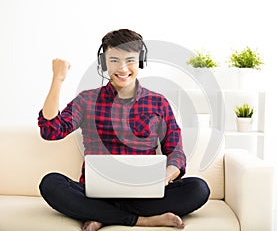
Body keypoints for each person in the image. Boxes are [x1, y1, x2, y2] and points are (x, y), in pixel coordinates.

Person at [38, 29, 210, 231]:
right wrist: (57, 79)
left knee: (198, 189)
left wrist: (165, 176)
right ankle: (141, 220)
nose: (122, 68)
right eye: (114, 60)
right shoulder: (86, 100)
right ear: (103, 62)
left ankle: (100, 214)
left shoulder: (158, 103)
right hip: (94, 194)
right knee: (50, 183)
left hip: (143, 196)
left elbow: (176, 152)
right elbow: (50, 130)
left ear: (141, 61)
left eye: (130, 60)